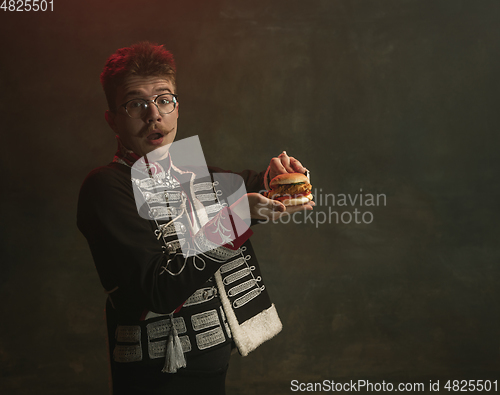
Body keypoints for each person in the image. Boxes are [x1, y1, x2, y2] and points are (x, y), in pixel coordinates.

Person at [77, 41, 314, 394]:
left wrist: (283, 178)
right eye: (135, 104)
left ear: (177, 108)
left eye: (163, 99)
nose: (153, 114)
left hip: (213, 370)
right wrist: (236, 218)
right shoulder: (106, 187)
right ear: (112, 118)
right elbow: (158, 290)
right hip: (156, 377)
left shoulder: (194, 175)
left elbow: (255, 187)